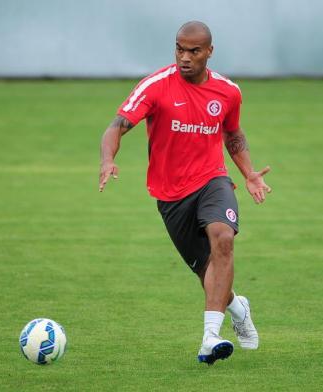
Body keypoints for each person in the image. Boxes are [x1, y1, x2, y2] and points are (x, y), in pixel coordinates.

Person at [99, 21, 271, 365]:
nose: (184, 57)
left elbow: (233, 134)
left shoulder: (228, 91)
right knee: (206, 271)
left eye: (194, 51)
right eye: (179, 49)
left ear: (209, 51)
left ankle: (210, 337)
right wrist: (108, 160)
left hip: (212, 180)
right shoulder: (155, 86)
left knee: (223, 238)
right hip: (170, 195)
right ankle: (237, 306)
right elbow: (116, 125)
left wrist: (248, 172)